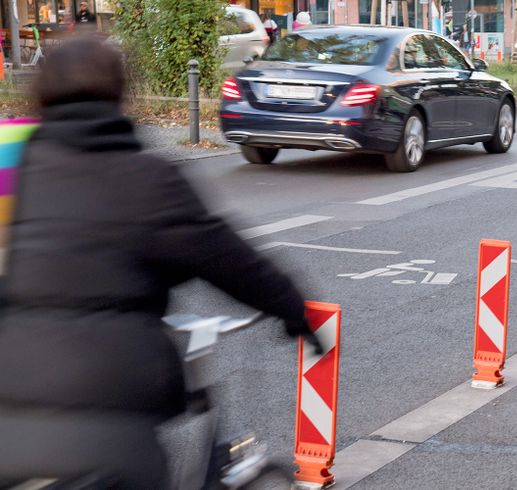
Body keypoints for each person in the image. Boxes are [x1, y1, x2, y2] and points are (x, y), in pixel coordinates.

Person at [0, 37, 321, 488]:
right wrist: (294, 308)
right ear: (119, 94)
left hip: (12, 412)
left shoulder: (24, 168)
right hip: (110, 424)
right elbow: (229, 259)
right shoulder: (148, 179)